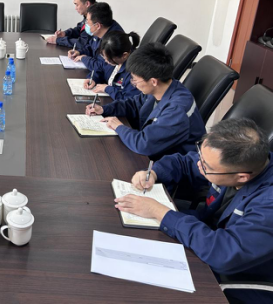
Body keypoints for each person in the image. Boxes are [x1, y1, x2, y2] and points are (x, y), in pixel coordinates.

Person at [115, 119, 273, 303]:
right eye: (201, 156)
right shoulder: (228, 164)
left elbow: (224, 253)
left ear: (242, 177)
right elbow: (184, 163)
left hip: (240, 275)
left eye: (206, 166)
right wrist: (155, 173)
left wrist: (159, 212)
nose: (199, 165)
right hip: (209, 234)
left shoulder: (267, 203)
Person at [86, 43, 206, 160]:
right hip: (155, 150)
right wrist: (104, 109)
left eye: (135, 81)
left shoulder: (177, 109)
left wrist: (119, 126)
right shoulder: (162, 86)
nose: (134, 84)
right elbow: (133, 104)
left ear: (153, 81)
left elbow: (143, 144)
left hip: (171, 164)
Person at [83, 30, 142, 100]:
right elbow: (102, 69)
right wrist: (93, 79)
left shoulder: (134, 72)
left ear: (124, 55)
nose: (106, 61)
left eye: (109, 59)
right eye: (104, 57)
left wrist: (108, 89)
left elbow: (129, 100)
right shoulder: (115, 58)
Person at [69, 2, 124, 73]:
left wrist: (83, 58)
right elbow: (91, 46)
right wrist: (79, 52)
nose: (85, 24)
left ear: (97, 26)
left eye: (88, 22)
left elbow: (102, 67)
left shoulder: (113, 42)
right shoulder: (100, 31)